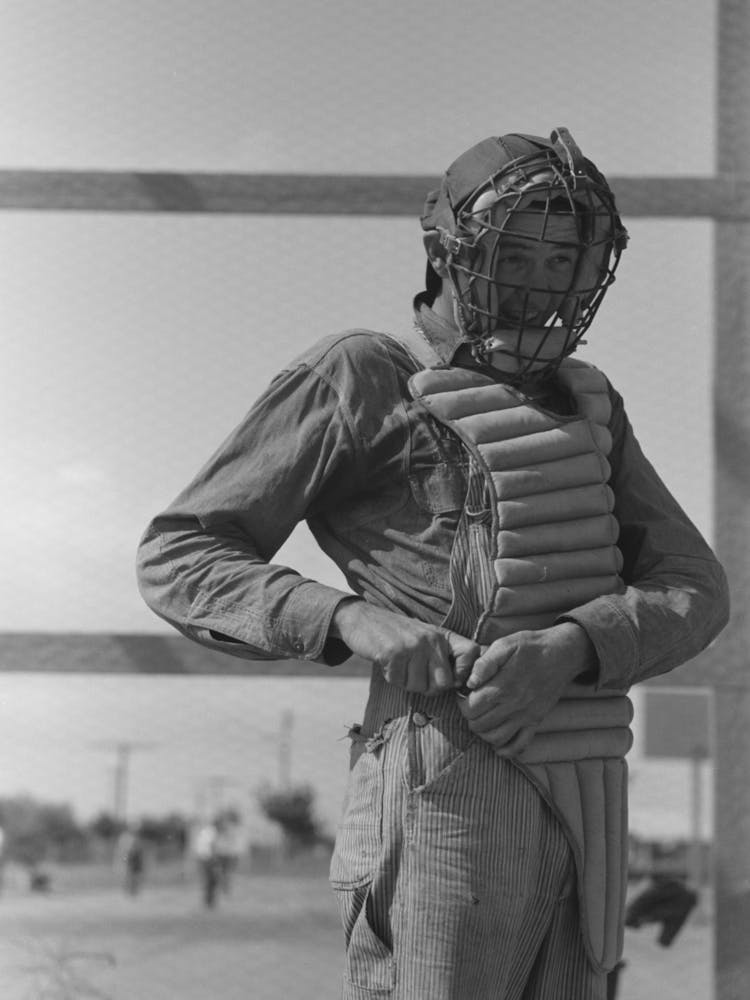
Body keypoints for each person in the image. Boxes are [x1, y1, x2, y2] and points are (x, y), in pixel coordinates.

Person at [136, 127, 729, 999]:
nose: (541, 277)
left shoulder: (586, 403)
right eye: (513, 250)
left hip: (585, 784)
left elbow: (695, 586)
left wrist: (572, 645)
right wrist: (346, 619)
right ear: (450, 252)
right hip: (442, 776)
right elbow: (181, 553)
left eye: (566, 253)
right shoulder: (363, 375)